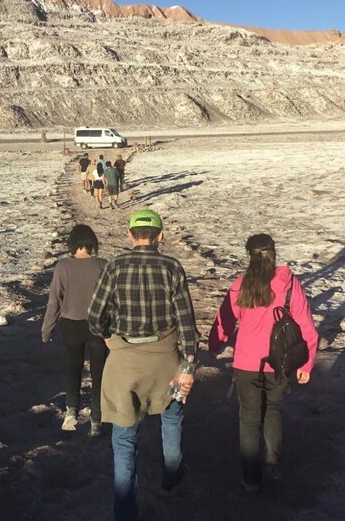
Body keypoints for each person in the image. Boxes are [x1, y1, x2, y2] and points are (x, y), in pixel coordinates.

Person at [88, 209, 199, 521]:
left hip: (124, 363)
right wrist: (188, 366)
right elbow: (187, 324)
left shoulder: (115, 267)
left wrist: (109, 335)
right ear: (160, 236)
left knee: (124, 438)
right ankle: (172, 477)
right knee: (172, 418)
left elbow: (94, 317)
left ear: (129, 234)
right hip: (166, 360)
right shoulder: (172, 267)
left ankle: (124, 510)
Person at [208, 233, 318, 494]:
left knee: (248, 418)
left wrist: (215, 345)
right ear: (274, 253)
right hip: (280, 362)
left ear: (249, 256)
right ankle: (272, 460)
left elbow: (224, 320)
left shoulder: (241, 285)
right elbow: (307, 327)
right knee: (273, 411)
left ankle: (251, 477)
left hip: (246, 363)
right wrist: (307, 364)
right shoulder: (289, 285)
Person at [42, 224, 109, 437]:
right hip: (98, 324)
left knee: (73, 366)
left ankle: (71, 410)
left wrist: (47, 329)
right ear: (92, 243)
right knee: (100, 371)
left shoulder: (62, 266)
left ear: (71, 244)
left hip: (70, 323)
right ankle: (97, 418)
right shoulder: (103, 265)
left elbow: (55, 301)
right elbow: (111, 301)